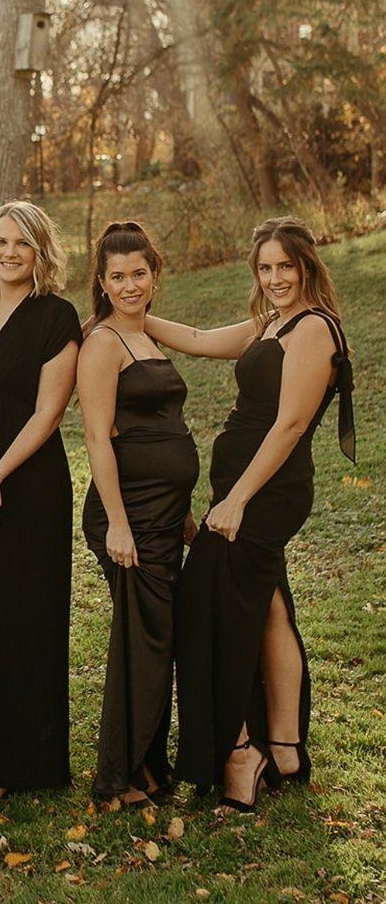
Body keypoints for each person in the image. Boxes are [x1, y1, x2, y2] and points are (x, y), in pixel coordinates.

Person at [145, 216, 353, 811]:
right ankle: (286, 747)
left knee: (205, 607)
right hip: (241, 488)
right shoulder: (272, 324)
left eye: (285, 266)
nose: (275, 277)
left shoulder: (314, 329)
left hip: (265, 492)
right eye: (265, 268)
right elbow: (197, 336)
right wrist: (121, 315)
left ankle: (242, 750)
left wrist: (236, 499)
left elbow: (290, 424)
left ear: (307, 266)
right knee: (269, 606)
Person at [0, 200, 81, 800]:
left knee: (24, 621)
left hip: (25, 487)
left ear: (40, 252)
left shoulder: (56, 316)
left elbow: (49, 412)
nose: (9, 253)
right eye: (0, 241)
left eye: (22, 244)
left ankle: (24, 763)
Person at [78, 221, 199, 807]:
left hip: (162, 513)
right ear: (102, 282)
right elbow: (98, 438)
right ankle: (119, 778)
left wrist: (183, 507)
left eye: (139, 274)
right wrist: (120, 524)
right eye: (117, 277)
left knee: (156, 637)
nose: (129, 285)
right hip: (126, 516)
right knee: (144, 642)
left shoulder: (147, 334)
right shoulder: (103, 342)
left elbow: (160, 428)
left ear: (154, 274)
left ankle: (149, 769)